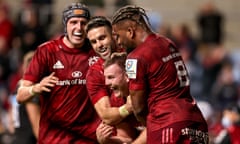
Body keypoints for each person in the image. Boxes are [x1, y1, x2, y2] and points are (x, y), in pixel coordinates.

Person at [112, 5, 209, 143]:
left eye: (117, 35)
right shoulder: (168, 42)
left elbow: (138, 107)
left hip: (167, 124)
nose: (118, 42)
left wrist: (148, 125)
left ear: (130, 31)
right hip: (196, 121)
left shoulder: (134, 58)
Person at [16, 3, 101, 144]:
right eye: (73, 22)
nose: (78, 28)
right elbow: (20, 95)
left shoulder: (96, 50)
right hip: (53, 139)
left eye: (83, 23)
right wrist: (36, 88)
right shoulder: (46, 51)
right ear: (65, 25)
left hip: (87, 139)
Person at [85, 16, 140, 143]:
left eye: (102, 38)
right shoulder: (94, 74)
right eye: (94, 42)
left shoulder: (134, 55)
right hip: (125, 134)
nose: (99, 45)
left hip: (153, 123)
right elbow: (106, 115)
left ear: (113, 36)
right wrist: (128, 108)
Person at [103, 53, 146, 144]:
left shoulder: (146, 93)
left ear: (127, 76)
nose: (106, 83)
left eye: (111, 77)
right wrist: (107, 140)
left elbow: (155, 128)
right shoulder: (116, 99)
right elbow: (127, 138)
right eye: (106, 78)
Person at [10, 51, 40, 144]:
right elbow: (37, 128)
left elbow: (11, 121)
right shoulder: (29, 90)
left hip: (18, 137)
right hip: (28, 140)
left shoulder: (19, 86)